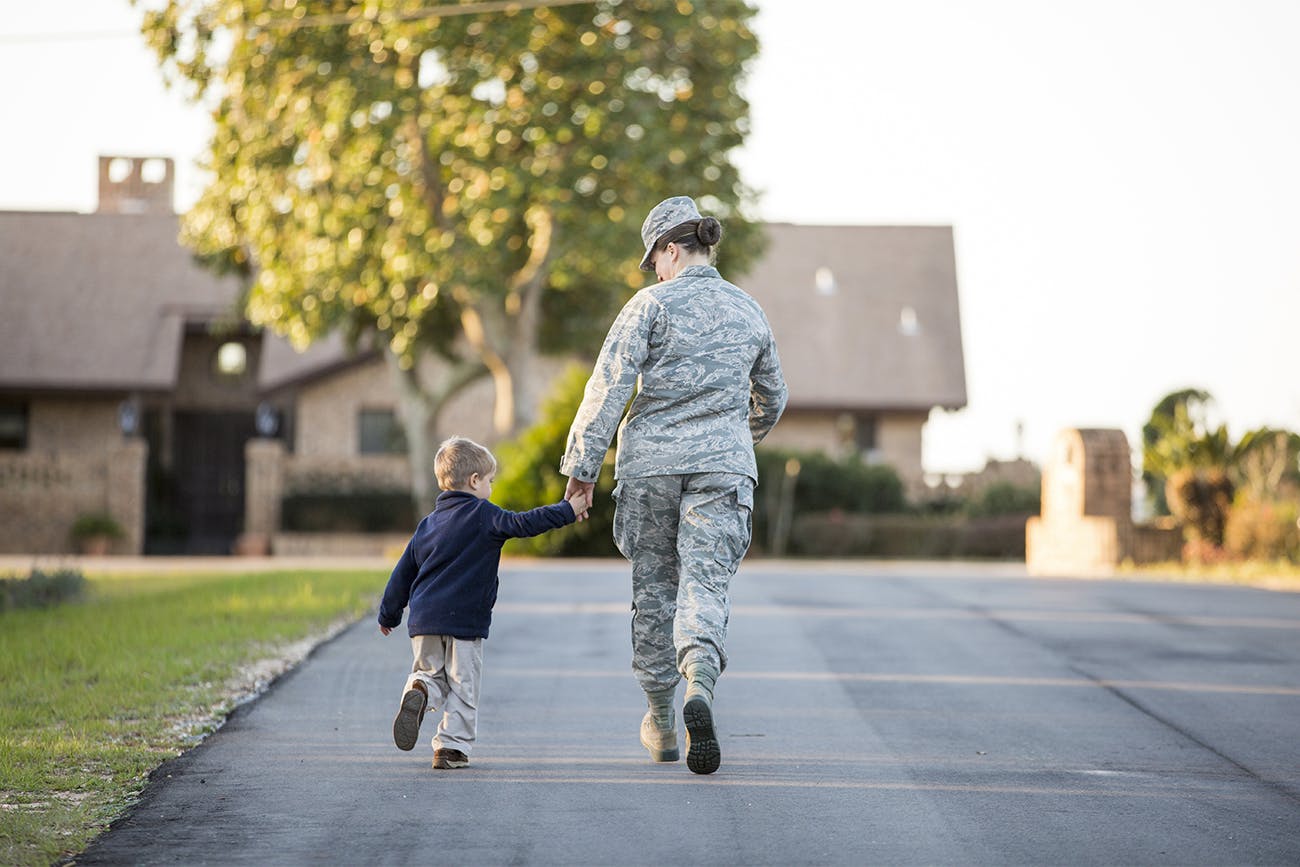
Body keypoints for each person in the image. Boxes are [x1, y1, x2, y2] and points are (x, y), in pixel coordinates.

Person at [560, 195, 788, 775]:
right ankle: (699, 691)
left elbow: (608, 386)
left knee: (655, 589)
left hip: (651, 469)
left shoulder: (648, 306)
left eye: (655, 260)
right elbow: (774, 397)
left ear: (670, 249)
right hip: (723, 469)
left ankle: (660, 719)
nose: (654, 272)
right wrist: (735, 442)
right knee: (705, 585)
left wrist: (582, 470)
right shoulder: (749, 309)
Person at [378, 436, 590, 769]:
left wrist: (388, 613)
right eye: (490, 481)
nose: (491, 487)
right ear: (474, 481)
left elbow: (403, 572)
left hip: (424, 621)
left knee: (430, 674)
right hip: (465, 622)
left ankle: (419, 689)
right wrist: (567, 510)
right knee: (463, 686)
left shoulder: (427, 525)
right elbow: (526, 523)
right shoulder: (485, 515)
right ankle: (450, 748)